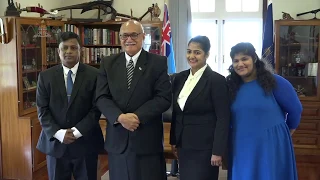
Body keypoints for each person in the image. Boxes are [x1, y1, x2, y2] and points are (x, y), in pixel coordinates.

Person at [95, 20, 171, 180]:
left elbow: (163, 98)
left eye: (134, 35)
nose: (129, 39)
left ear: (143, 36)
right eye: (124, 35)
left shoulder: (158, 63)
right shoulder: (108, 63)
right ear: (120, 38)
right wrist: (120, 117)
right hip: (118, 140)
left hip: (146, 139)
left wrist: (136, 117)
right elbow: (101, 97)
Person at [226, 42, 302, 180]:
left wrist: (286, 133)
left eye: (244, 59)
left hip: (271, 143)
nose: (240, 64)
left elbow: (295, 110)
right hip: (241, 143)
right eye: (236, 61)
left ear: (254, 59)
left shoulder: (275, 82)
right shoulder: (230, 86)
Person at [36, 32, 104, 180]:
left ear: (80, 50)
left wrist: (77, 132)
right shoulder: (45, 76)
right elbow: (42, 110)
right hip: (55, 144)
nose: (69, 51)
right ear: (58, 51)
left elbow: (96, 109)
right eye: (64, 48)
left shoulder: (95, 75)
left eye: (73, 48)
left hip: (86, 143)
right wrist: (59, 133)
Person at [169, 35, 231, 180]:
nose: (192, 56)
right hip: (183, 145)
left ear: (207, 54)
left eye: (197, 52)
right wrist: (174, 140)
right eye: (189, 51)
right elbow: (177, 113)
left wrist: (218, 150)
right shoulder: (179, 78)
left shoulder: (217, 80)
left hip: (205, 148)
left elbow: (223, 118)